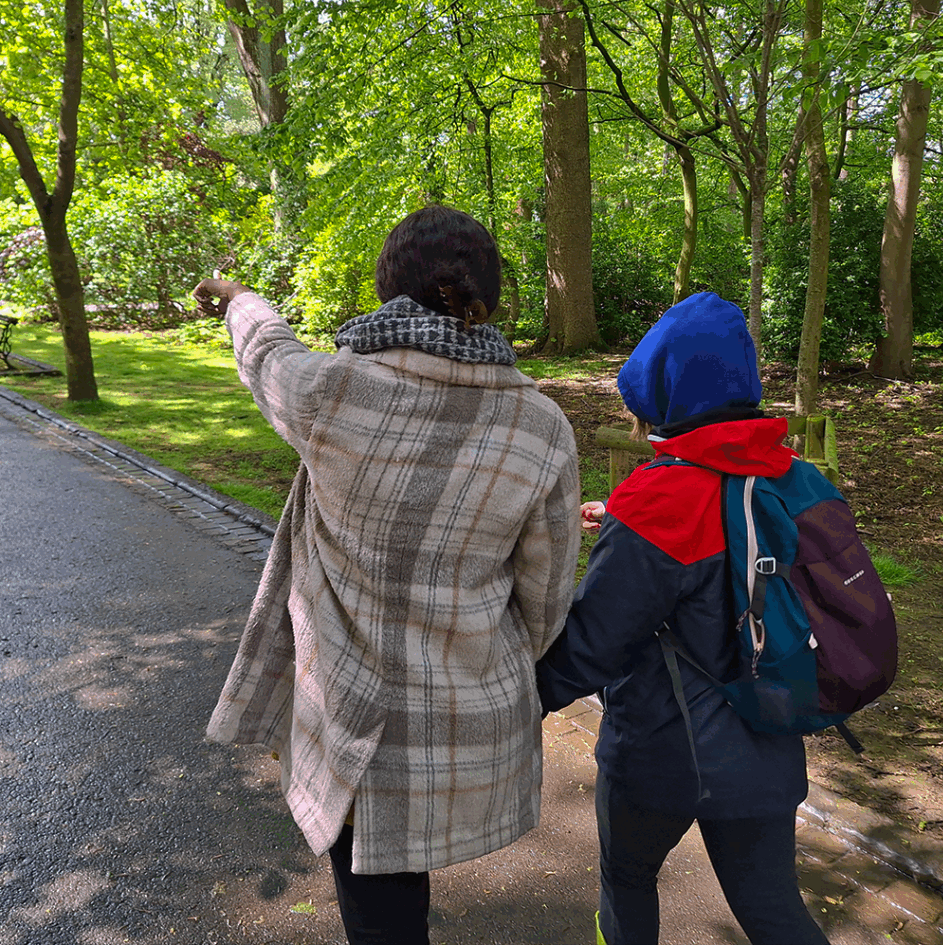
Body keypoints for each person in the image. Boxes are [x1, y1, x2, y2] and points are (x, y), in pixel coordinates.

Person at [194, 204, 580, 945]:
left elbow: (268, 353)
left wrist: (239, 297)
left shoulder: (332, 392)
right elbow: (546, 596)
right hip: (468, 712)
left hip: (349, 714)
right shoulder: (542, 426)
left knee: (379, 910)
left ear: (387, 288)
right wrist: (492, 665)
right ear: (488, 295)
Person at [535, 292, 831, 945]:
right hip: (770, 741)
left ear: (664, 396)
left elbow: (592, 646)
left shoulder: (660, 497)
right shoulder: (796, 478)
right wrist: (625, 522)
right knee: (775, 912)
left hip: (658, 756)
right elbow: (736, 558)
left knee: (626, 882)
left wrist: (514, 700)